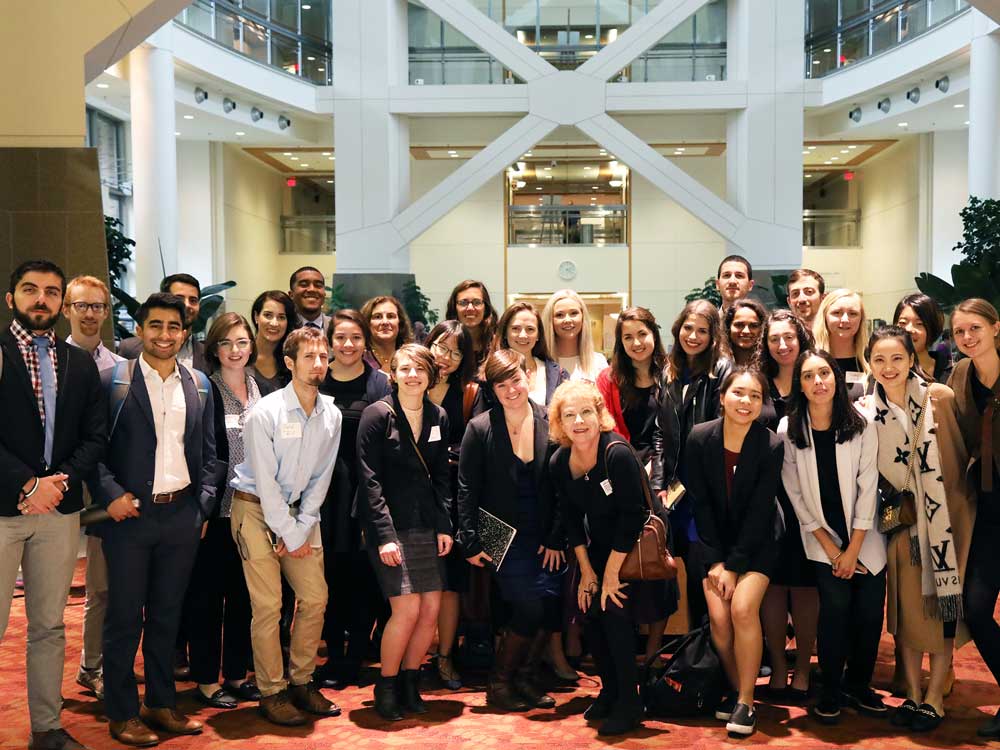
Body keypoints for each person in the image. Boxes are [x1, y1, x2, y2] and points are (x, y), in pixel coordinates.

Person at [91, 292, 217, 747]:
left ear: (185, 333)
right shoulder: (113, 382)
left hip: (181, 515)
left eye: (174, 327)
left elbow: (210, 453)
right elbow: (93, 452)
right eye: (156, 326)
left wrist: (202, 503)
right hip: (129, 518)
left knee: (167, 616)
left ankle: (161, 703)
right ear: (140, 330)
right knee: (124, 618)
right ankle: (122, 712)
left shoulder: (199, 383)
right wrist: (111, 497)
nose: (165, 335)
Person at [1, 260, 107, 750]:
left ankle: (45, 729)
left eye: (49, 292)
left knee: (47, 626)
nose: (40, 300)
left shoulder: (79, 363)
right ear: (11, 300)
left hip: (57, 514)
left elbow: (94, 436)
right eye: (30, 291)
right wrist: (27, 484)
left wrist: (57, 485)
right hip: (4, 511)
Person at [230, 326, 342, 726]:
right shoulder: (265, 412)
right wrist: (285, 530)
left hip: (301, 515)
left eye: (323, 356)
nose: (318, 364)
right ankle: (272, 690)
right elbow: (263, 480)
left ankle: (302, 681)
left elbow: (321, 479)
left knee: (315, 598)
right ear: (290, 363)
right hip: (256, 510)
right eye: (309, 357)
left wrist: (300, 527)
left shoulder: (332, 413)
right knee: (269, 606)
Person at [865, 326, 973, 732]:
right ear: (868, 364)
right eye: (879, 359)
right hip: (901, 524)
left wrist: (954, 519)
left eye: (897, 358)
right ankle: (911, 691)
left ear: (912, 359)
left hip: (947, 521)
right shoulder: (865, 411)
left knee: (942, 606)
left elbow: (960, 458)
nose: (888, 367)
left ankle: (934, 696)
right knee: (908, 610)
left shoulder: (938, 398)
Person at [779, 349, 887, 726]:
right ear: (800, 386)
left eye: (824, 373)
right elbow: (795, 495)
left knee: (870, 614)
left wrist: (853, 548)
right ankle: (830, 689)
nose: (818, 382)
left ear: (836, 378)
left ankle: (859, 686)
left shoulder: (862, 423)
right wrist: (832, 549)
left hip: (865, 536)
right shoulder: (789, 429)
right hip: (822, 540)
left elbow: (868, 485)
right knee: (835, 612)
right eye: (808, 377)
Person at [458, 349, 564, 712]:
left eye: (515, 380)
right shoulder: (480, 427)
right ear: (492, 389)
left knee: (549, 607)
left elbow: (565, 485)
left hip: (546, 530)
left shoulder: (551, 420)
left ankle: (525, 680)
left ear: (528, 377)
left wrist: (556, 536)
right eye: (501, 385)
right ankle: (499, 683)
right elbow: (467, 488)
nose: (510, 389)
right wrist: (469, 539)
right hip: (499, 532)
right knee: (529, 606)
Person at [357, 344, 454, 721]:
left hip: (426, 524)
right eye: (405, 369)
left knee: (430, 609)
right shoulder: (377, 415)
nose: (413, 375)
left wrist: (445, 526)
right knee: (407, 607)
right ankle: (387, 685)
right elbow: (370, 482)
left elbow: (442, 476)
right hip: (389, 526)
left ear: (431, 375)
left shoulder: (438, 415)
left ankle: (411, 684)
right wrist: (384, 535)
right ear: (392, 374)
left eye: (420, 369)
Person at [548, 381, 650, 736]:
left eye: (586, 412)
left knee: (613, 614)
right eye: (569, 414)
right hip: (595, 550)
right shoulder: (560, 460)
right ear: (559, 422)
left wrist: (609, 575)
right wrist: (587, 573)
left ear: (600, 414)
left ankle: (630, 703)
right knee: (588, 612)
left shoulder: (616, 453)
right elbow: (571, 521)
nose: (579, 421)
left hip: (631, 549)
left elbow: (632, 517)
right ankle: (610, 691)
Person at [686, 367, 784, 737]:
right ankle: (733, 686)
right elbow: (701, 504)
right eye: (739, 393)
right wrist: (716, 562)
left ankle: (746, 701)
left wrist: (735, 565)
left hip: (758, 543)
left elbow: (761, 511)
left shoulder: (771, 444)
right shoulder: (700, 437)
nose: (746, 402)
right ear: (723, 396)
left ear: (762, 403)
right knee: (720, 621)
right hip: (714, 544)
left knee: (742, 609)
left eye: (755, 396)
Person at [183, 314, 260, 710]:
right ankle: (207, 680)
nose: (236, 350)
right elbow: (200, 455)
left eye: (243, 342)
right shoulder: (203, 390)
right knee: (208, 599)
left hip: (254, 514)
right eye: (227, 343)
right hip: (216, 514)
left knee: (245, 598)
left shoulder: (261, 389)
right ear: (214, 349)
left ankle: (237, 674)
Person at [595, 307, 675, 664]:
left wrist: (662, 477)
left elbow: (674, 433)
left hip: (666, 481)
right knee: (624, 561)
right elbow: (606, 429)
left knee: (659, 562)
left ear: (654, 334)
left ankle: (656, 648)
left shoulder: (672, 375)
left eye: (642, 334)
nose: (636, 342)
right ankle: (624, 648)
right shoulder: (609, 379)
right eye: (627, 337)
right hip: (623, 476)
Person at [316, 309, 391, 689]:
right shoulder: (315, 379)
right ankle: (333, 655)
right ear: (329, 341)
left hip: (365, 493)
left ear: (366, 343)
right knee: (329, 579)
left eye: (356, 338)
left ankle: (356, 659)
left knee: (362, 580)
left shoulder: (380, 384)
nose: (348, 345)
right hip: (322, 495)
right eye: (340, 337)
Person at [650, 299, 730, 626]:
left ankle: (713, 653)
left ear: (713, 336)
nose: (693, 336)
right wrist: (657, 483)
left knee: (705, 572)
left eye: (702, 331)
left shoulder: (721, 370)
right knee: (682, 568)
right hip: (673, 489)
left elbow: (720, 433)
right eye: (688, 328)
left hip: (704, 491)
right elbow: (659, 432)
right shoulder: (669, 371)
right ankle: (695, 648)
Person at [64, 274, 124, 704]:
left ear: (106, 312)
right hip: (58, 485)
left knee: (103, 585)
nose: (89, 314)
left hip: (103, 487)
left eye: (97, 306)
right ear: (67, 309)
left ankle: (93, 666)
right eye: (81, 305)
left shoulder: (118, 368)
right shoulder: (51, 361)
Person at [756, 311, 818, 699]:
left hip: (810, 497)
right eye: (774, 338)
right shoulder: (757, 383)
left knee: (807, 586)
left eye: (789, 337)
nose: (782, 345)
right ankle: (779, 668)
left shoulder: (814, 376)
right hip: (765, 497)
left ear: (801, 339)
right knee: (773, 586)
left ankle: (804, 670)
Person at [946, 299, 1000, 739]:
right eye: (960, 331)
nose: (967, 337)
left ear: (995, 328)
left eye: (975, 328)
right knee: (976, 607)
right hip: (985, 511)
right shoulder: (960, 375)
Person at [424, 320, 477, 690]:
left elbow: (473, 446)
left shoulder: (470, 393)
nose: (445, 357)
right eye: (440, 346)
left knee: (450, 584)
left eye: (455, 352)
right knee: (417, 582)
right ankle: (415, 656)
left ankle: (445, 656)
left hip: (453, 499)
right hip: (410, 498)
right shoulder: (407, 383)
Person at [118, 274, 207, 373]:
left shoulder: (208, 356)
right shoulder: (130, 349)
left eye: (193, 300)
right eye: (179, 298)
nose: (187, 305)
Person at [493, 301, 568, 407]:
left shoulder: (558, 374)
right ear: (505, 333)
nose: (523, 335)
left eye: (530, 329)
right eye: (515, 329)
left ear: (538, 335)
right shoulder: (490, 374)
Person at [541, 289, 607, 383]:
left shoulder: (598, 362)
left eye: (574, 313)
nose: (567, 320)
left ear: (582, 317)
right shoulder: (540, 364)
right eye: (559, 315)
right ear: (550, 321)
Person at [813, 288, 869, 398]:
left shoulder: (871, 360)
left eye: (853, 314)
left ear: (861, 319)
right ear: (825, 317)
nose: (844, 320)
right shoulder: (811, 360)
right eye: (837, 313)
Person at [894, 293, 952, 383]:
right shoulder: (885, 371)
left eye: (919, 324)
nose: (908, 329)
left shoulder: (950, 371)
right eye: (903, 323)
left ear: (933, 328)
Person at [249, 290, 297, 393]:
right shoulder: (240, 355)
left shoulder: (292, 361)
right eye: (268, 315)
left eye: (281, 317)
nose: (274, 323)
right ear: (256, 316)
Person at [446, 280, 498, 366]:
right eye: (463, 303)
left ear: (486, 308)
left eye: (477, 302)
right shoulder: (444, 343)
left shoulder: (498, 344)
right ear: (454, 308)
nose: (470, 308)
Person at [361, 295, 413, 374]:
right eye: (378, 317)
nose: (385, 322)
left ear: (400, 322)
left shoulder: (412, 357)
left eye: (391, 316)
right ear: (367, 323)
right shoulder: (358, 359)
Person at [722, 298, 767, 367]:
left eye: (753, 326)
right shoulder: (717, 365)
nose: (746, 331)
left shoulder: (770, 365)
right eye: (739, 325)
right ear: (728, 327)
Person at [289, 266, 329, 331]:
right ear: (291, 295)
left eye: (318, 285)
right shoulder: (282, 328)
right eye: (304, 284)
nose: (312, 289)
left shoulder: (337, 327)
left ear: (324, 294)